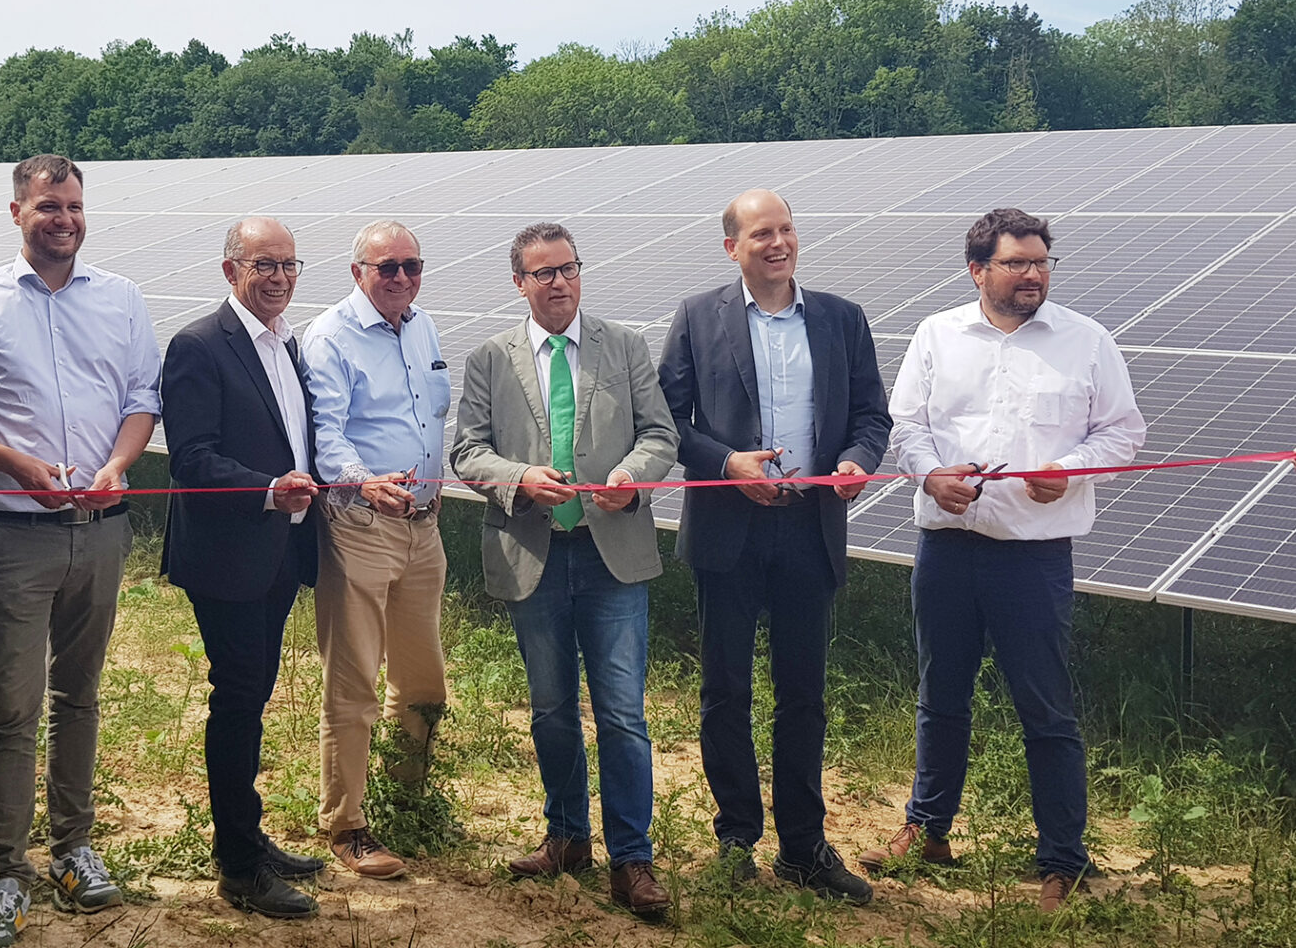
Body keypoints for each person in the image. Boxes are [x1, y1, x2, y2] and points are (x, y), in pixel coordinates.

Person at [866, 208, 1144, 912]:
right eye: (1016, 263)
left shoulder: (1085, 341)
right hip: (946, 548)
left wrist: (1071, 466)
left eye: (1042, 262)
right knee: (941, 699)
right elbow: (909, 426)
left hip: (1033, 555)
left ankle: (1061, 859)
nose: (1032, 275)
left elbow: (1122, 432)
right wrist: (931, 476)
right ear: (977, 270)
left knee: (1045, 710)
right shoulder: (936, 335)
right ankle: (927, 829)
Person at [0, 154, 160, 946]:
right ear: (16, 211)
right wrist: (16, 466)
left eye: (74, 205)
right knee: (13, 708)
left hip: (100, 530)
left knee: (81, 697)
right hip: (14, 534)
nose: (63, 218)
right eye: (48, 206)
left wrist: (118, 467)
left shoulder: (121, 300)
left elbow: (140, 400)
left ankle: (74, 850)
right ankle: (7, 873)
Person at [657, 188, 890, 904]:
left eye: (785, 229)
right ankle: (735, 840)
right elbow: (665, 418)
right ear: (731, 247)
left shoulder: (840, 319)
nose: (777, 243)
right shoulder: (699, 316)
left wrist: (856, 460)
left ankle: (802, 846)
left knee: (803, 695)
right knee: (723, 691)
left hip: (808, 526)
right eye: (760, 233)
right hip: (730, 526)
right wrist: (726, 464)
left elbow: (869, 417)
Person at [450, 222, 680, 917]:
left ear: (580, 274)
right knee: (551, 711)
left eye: (567, 269)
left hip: (612, 554)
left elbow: (659, 434)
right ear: (517, 283)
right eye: (541, 273)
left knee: (621, 714)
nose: (557, 283)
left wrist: (629, 478)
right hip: (535, 553)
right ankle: (565, 837)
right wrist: (518, 476)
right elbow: (466, 450)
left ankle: (633, 860)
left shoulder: (624, 345)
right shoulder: (491, 358)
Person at [159, 217, 326, 919]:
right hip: (227, 554)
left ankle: (249, 838)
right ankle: (237, 868)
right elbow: (192, 459)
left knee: (254, 693)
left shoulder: (287, 343)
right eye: (264, 264)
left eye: (288, 264)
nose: (280, 277)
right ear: (229, 270)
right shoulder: (199, 345)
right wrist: (266, 490)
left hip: (278, 552)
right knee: (236, 699)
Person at [301, 219, 451, 879]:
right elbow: (325, 432)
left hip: (425, 524)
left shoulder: (422, 327)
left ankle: (403, 799)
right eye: (385, 266)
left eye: (410, 266)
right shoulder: (330, 336)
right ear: (357, 271)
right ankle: (347, 823)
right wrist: (361, 478)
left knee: (422, 681)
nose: (399, 278)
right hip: (361, 523)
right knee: (354, 680)